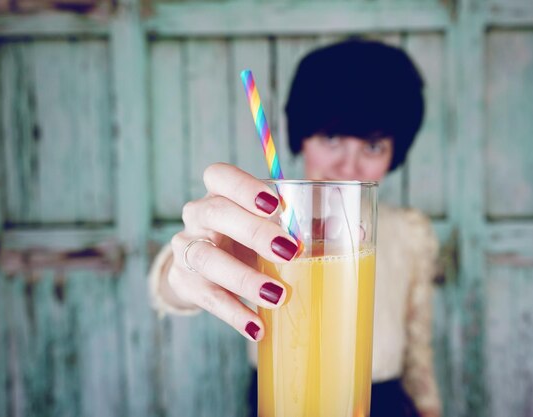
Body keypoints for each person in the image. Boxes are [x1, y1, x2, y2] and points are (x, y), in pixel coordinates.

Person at [149, 39, 442, 417]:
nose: (348, 167)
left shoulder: (410, 232)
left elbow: (419, 357)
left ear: (394, 152)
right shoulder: (259, 225)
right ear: (301, 137)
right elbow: (166, 285)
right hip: (282, 397)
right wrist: (184, 267)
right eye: (331, 138)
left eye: (372, 146)